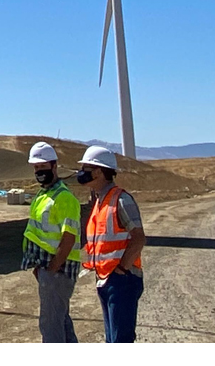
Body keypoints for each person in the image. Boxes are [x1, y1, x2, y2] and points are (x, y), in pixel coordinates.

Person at [75, 145, 146, 343]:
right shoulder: (100, 201)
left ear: (98, 172)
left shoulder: (121, 200)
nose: (82, 173)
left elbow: (139, 238)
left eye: (86, 169)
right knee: (112, 340)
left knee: (120, 340)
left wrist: (122, 268)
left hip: (121, 280)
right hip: (106, 278)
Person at [20, 141, 81, 343]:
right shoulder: (43, 195)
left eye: (43, 166)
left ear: (54, 166)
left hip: (59, 270)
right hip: (47, 269)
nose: (39, 171)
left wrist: (54, 267)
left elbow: (69, 237)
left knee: (50, 325)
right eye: (36, 167)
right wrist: (40, 267)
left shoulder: (64, 198)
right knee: (61, 321)